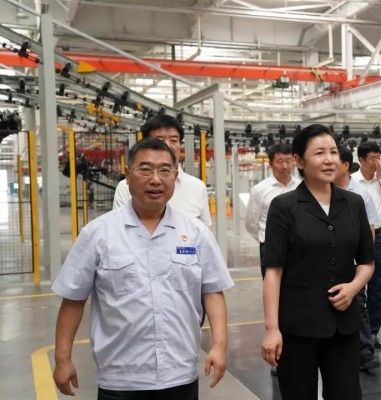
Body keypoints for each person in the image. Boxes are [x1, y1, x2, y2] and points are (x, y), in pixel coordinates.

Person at [52, 138, 234, 399]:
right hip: (121, 378)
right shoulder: (98, 234)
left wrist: (219, 345)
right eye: (145, 169)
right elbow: (73, 299)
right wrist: (62, 359)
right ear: (128, 176)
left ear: (175, 176)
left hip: (180, 373)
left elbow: (213, 291)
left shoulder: (196, 233)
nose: (156, 179)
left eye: (164, 170)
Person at [261, 124, 374, 400]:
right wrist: (272, 329)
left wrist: (353, 288)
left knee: (347, 394)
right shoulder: (284, 206)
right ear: (299, 161)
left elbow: (367, 262)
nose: (329, 160)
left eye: (333, 152)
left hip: (343, 325)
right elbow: (273, 272)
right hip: (297, 325)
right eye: (319, 153)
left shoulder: (354, 203)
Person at [113, 114, 211, 227]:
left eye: (173, 140)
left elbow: (204, 232)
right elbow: (118, 229)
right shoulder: (125, 188)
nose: (167, 145)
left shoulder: (197, 187)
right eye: (160, 140)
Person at [333, 146, 380, 372]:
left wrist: (364, 258)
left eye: (334, 159)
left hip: (352, 260)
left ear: (345, 165)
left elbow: (369, 229)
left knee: (359, 303)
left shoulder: (360, 194)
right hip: (328, 259)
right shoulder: (321, 190)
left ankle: (365, 350)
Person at [352, 141, 381, 350]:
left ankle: (373, 332)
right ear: (361, 160)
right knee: (358, 287)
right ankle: (360, 333)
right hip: (357, 237)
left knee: (377, 287)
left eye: (379, 157)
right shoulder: (351, 181)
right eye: (372, 158)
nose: (377, 162)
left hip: (378, 236)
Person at [245, 142, 301, 277]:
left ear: (294, 162)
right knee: (271, 284)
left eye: (288, 161)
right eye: (280, 161)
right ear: (270, 164)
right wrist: (266, 238)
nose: (285, 166)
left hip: (299, 245)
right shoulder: (259, 190)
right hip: (270, 247)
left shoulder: (302, 187)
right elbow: (251, 223)